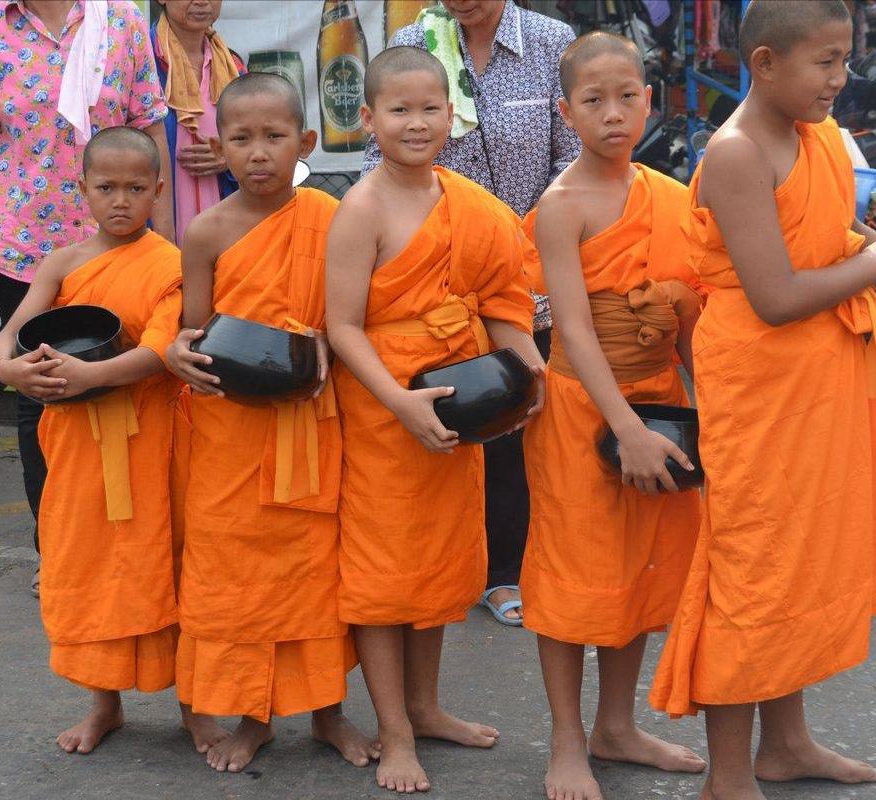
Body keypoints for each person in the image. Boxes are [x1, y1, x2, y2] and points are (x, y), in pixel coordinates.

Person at [647, 3, 876, 799]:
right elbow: (777, 295)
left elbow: (835, 239)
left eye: (845, 59)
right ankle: (728, 775)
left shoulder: (820, 134)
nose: (841, 79)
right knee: (752, 570)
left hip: (821, 379)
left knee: (801, 569)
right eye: (824, 61)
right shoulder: (736, 153)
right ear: (763, 63)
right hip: (759, 383)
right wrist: (875, 264)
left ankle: (785, 744)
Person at [326, 47, 544, 793]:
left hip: (458, 405)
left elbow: (502, 302)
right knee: (384, 580)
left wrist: (526, 369)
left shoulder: (469, 202)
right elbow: (343, 327)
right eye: (399, 110)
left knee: (437, 565)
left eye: (429, 109)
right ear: (368, 120)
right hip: (387, 412)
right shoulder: (362, 208)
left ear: (452, 117)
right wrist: (399, 402)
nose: (415, 124)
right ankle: (393, 733)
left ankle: (425, 707)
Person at [161, 73, 379, 774]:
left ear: (305, 142)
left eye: (275, 137)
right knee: (239, 577)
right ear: (217, 146)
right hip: (231, 432)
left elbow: (351, 316)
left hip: (312, 419)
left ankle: (327, 714)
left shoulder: (333, 216)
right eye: (242, 138)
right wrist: (177, 351)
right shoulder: (205, 231)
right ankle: (252, 718)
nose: (259, 154)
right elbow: (193, 328)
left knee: (315, 573)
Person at [521, 32, 709, 800]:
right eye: (593, 101)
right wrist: (623, 426)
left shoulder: (670, 195)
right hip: (579, 411)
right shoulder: (559, 208)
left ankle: (617, 727)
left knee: (641, 567)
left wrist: (710, 414)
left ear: (649, 101)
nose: (613, 114)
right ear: (567, 114)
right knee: (573, 580)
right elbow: (570, 328)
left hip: (661, 401)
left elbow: (695, 316)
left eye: (626, 96)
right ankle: (567, 741)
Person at [363, 0, 581, 626]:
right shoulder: (413, 41)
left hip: (530, 271)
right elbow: (386, 150)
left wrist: (538, 243)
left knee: (518, 422)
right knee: (457, 423)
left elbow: (572, 154)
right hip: (432, 290)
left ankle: (511, 569)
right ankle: (462, 570)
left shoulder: (548, 42)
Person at [0, 0, 174, 595]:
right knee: (40, 399)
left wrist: (169, 244)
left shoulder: (120, 19)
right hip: (25, 248)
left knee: (133, 390)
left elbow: (150, 129)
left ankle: (135, 542)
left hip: (125, 248)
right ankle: (57, 546)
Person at [0, 127, 183, 755]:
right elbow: (10, 335)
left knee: (167, 563)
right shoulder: (63, 263)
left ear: (158, 190)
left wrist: (91, 375)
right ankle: (104, 706)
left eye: (135, 188)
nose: (120, 201)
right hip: (75, 446)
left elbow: (163, 350)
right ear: (82, 190)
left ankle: (196, 706)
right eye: (106, 187)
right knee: (88, 566)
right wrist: (9, 368)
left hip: (151, 440)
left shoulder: (172, 263)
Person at [151, 0, 245, 242]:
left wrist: (230, 158)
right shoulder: (142, 60)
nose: (202, 2)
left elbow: (255, 141)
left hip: (224, 223)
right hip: (156, 224)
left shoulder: (232, 66)